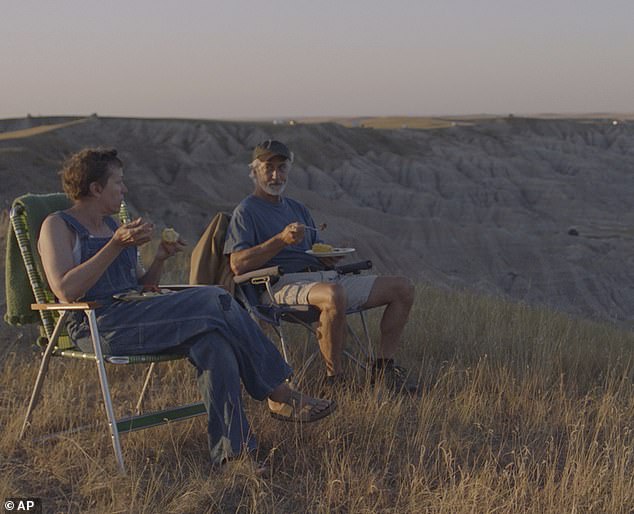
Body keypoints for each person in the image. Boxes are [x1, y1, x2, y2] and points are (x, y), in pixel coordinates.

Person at [37, 147, 335, 469]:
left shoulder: (112, 226)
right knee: (213, 297)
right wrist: (115, 246)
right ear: (96, 188)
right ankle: (279, 392)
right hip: (99, 325)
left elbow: (141, 286)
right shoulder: (58, 226)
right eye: (118, 183)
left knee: (215, 343)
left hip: (137, 314)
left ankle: (233, 455)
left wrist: (161, 258)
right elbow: (66, 290)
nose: (124, 190)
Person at [224, 140, 417, 393]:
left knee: (402, 288)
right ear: (255, 171)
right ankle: (334, 380)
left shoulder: (297, 209)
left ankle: (383, 370)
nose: (275, 175)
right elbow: (238, 265)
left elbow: (315, 249)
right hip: (278, 285)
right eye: (268, 168)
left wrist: (327, 256)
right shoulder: (246, 211)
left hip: (323, 277)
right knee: (333, 294)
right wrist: (280, 240)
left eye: (281, 168)